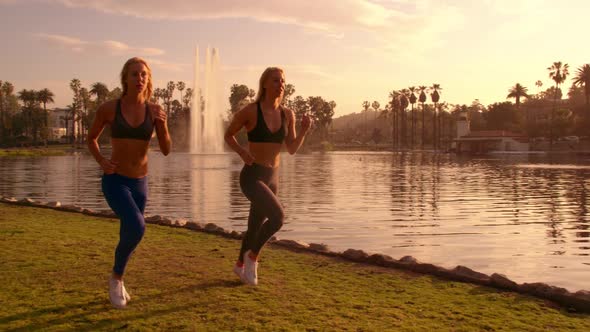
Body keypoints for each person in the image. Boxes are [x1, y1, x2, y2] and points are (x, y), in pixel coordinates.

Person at [87, 57, 171, 308]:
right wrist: (102, 161)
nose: (139, 78)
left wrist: (163, 125)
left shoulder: (154, 110)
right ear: (125, 78)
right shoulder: (109, 109)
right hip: (116, 181)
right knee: (137, 226)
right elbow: (91, 139)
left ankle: (119, 280)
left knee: (130, 233)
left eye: (143, 74)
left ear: (149, 79)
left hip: (140, 184)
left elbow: (166, 150)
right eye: (134, 74)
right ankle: (116, 278)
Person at [224, 67, 312, 285]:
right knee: (278, 218)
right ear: (264, 83)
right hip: (252, 176)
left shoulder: (287, 114)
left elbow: (291, 148)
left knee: (254, 226)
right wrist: (242, 152)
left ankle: (239, 265)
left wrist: (303, 131)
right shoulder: (251, 111)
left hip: (273, 177)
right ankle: (253, 256)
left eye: (282, 81)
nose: (280, 84)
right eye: (275, 80)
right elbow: (228, 135)